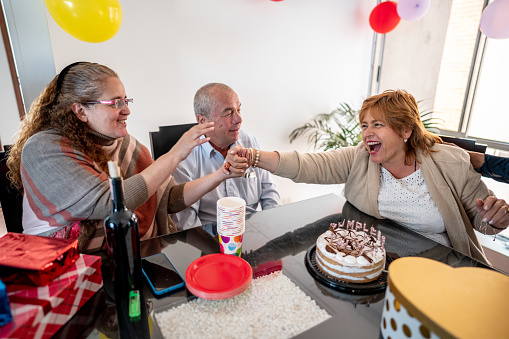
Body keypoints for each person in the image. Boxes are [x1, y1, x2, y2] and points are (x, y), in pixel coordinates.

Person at [226, 89, 509, 264]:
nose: (366, 133)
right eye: (364, 125)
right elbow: (306, 165)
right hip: (379, 262)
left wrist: (495, 221)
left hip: (438, 266)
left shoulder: (449, 161)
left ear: (405, 130)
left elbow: (483, 221)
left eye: (377, 124)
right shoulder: (361, 155)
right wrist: (252, 157)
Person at [7, 62, 241, 251]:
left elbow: (169, 198)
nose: (126, 109)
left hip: (131, 257)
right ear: (80, 110)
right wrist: (175, 154)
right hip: (67, 267)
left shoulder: (123, 144)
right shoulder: (44, 149)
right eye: (115, 103)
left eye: (125, 100)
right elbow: (111, 203)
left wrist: (221, 174)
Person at [172, 83, 280, 229]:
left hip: (255, 231)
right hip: (211, 239)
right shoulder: (185, 157)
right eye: (228, 113)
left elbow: (269, 193)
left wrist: (272, 230)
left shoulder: (250, 142)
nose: (239, 119)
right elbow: (187, 222)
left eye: (239, 110)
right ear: (203, 121)